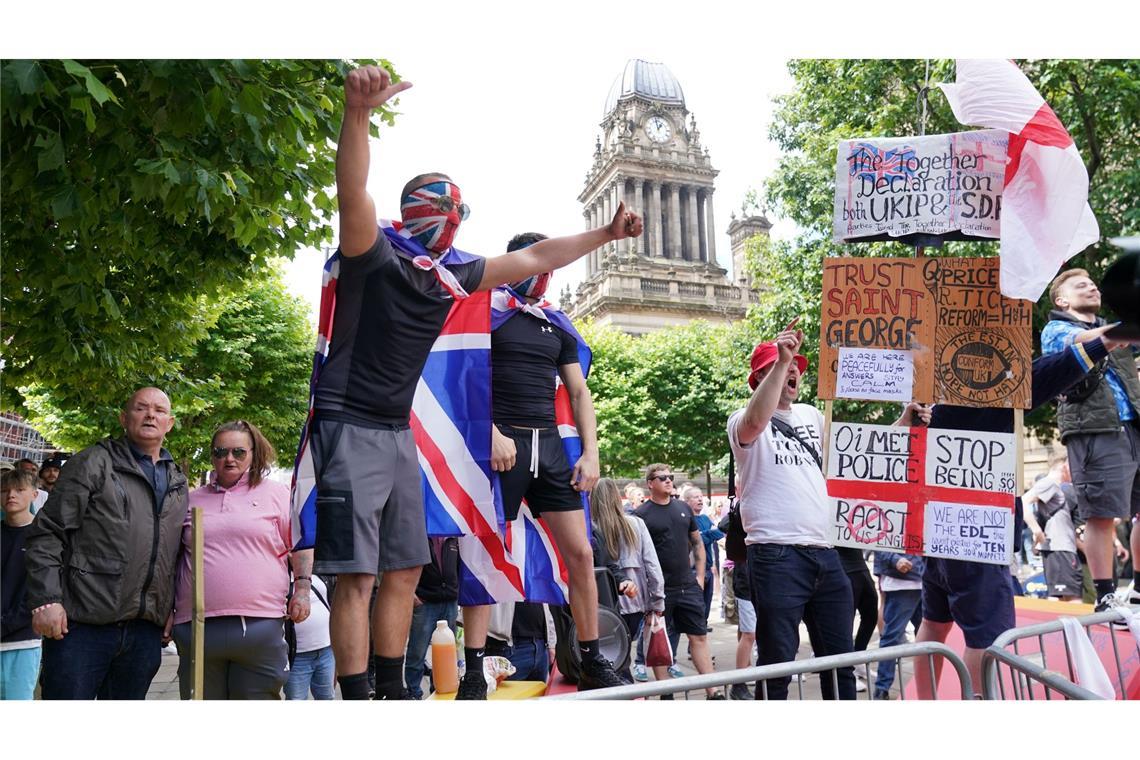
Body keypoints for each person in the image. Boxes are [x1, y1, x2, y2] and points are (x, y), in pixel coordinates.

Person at [297, 65, 643, 701]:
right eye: (444, 209)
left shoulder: (454, 271)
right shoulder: (374, 251)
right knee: (356, 575)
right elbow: (353, 191)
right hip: (349, 424)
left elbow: (538, 258)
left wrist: (606, 234)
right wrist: (357, 114)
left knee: (404, 566)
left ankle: (391, 688)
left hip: (398, 433)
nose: (452, 220)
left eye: (458, 211)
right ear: (416, 214)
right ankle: (355, 698)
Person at [459, 231, 628, 697]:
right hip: (501, 446)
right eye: (535, 265)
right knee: (482, 552)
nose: (542, 274)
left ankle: (593, 658)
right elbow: (464, 378)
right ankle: (473, 666)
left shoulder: (557, 323)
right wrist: (489, 433)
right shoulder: (484, 312)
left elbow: (579, 392)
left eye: (550, 268)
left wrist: (591, 453)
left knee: (582, 553)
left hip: (551, 449)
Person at [913, 334, 1124, 698]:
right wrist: (1107, 339)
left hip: (941, 527)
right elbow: (1050, 372)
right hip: (976, 531)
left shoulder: (937, 395)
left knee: (935, 624)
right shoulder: (986, 389)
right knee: (989, 638)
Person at [25, 387, 188, 699]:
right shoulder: (93, 462)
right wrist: (46, 600)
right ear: (124, 418)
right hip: (82, 628)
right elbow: (47, 532)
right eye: (141, 408)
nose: (151, 414)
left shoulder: (177, 479)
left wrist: (171, 607)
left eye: (159, 410)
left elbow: (174, 552)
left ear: (170, 423)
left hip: (143, 633)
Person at [726, 323, 856, 700]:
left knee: (840, 661)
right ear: (759, 379)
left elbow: (854, 460)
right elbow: (754, 422)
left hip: (826, 555)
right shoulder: (741, 421)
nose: (792, 369)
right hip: (776, 554)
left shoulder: (812, 416)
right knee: (778, 661)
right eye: (780, 365)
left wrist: (903, 424)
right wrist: (781, 360)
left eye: (795, 365)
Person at [169, 420, 312, 700]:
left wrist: (303, 590)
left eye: (238, 452)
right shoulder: (189, 500)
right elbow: (172, 558)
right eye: (220, 452)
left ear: (254, 454)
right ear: (212, 456)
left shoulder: (278, 495)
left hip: (261, 624)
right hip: (197, 626)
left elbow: (300, 546)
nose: (229, 458)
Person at [1041, 269, 1140, 610]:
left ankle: (1138, 589)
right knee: (1100, 515)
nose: (1092, 287)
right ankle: (1105, 595)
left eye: (1093, 284)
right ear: (1062, 300)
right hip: (1095, 430)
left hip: (1133, 426)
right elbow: (1081, 343)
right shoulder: (1056, 328)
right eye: (1081, 285)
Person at [634, 463, 722, 699]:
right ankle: (665, 692)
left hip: (688, 586)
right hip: (659, 590)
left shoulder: (683, 508)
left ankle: (713, 691)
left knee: (699, 636)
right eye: (661, 477)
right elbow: (636, 554)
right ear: (649, 483)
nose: (668, 480)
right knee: (658, 639)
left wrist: (701, 577)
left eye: (670, 476)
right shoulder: (641, 515)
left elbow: (697, 544)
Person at [590, 477, 665, 684]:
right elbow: (653, 566)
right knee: (623, 655)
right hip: (634, 602)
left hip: (602, 605)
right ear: (617, 497)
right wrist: (657, 602)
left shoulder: (589, 528)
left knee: (610, 659)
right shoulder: (635, 524)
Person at [1, 469, 41, 699]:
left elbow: (42, 592)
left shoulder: (44, 537)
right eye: (4, 491)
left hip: (23, 641)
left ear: (34, 495)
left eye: (19, 490)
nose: (11, 495)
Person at [1022, 452, 1083, 602]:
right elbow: (1023, 502)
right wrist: (1036, 530)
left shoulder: (1054, 486)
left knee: (1061, 597)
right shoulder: (1049, 483)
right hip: (1060, 548)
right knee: (1071, 598)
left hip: (1060, 548)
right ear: (1064, 466)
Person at [403, 536, 459, 699]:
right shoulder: (420, 536)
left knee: (447, 651)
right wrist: (412, 596)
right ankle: (414, 692)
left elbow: (460, 567)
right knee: (417, 652)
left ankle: (441, 687)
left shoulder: (453, 538)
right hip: (425, 602)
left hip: (450, 601)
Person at [871, 550, 924, 700]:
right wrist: (895, 559)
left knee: (928, 640)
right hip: (901, 582)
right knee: (892, 637)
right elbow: (877, 539)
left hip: (925, 580)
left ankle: (926, 684)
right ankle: (882, 688)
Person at [285, 574, 336, 700]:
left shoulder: (321, 573)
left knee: (327, 697)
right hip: (296, 657)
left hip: (326, 651)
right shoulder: (280, 577)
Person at [836, 545, 878, 692]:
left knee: (871, 615)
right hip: (842, 565)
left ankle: (858, 658)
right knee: (846, 621)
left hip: (859, 565)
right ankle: (849, 669)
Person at [682, 485, 723, 632]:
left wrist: (704, 534)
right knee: (696, 608)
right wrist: (706, 534)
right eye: (695, 497)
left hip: (708, 569)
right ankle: (695, 643)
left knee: (705, 607)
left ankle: (700, 641)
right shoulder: (686, 519)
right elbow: (696, 541)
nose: (700, 499)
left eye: (701, 496)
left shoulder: (705, 518)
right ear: (686, 501)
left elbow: (718, 533)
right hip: (694, 570)